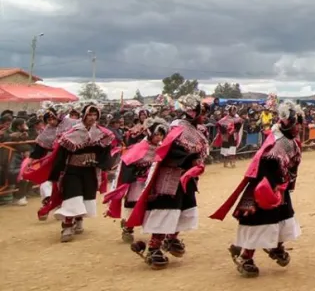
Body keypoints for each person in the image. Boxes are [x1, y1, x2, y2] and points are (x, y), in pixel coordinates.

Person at [212, 101, 303, 278]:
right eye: (297, 122)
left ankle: (276, 246)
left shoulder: (289, 140)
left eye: (300, 122)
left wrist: (283, 184)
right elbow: (267, 163)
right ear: (288, 123)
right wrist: (274, 185)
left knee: (283, 218)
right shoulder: (277, 142)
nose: (299, 126)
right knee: (261, 222)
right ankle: (246, 257)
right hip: (265, 188)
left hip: (279, 188)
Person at [126, 94, 210, 270]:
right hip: (170, 176)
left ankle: (171, 238)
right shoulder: (177, 128)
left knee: (186, 209)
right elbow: (168, 150)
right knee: (167, 210)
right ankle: (154, 247)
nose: (203, 115)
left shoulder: (199, 131)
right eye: (200, 112)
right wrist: (189, 161)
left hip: (187, 177)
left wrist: (193, 165)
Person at [48, 104, 115, 242]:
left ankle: (79, 220)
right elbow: (61, 155)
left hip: (90, 170)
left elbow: (105, 152)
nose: (92, 118)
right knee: (72, 197)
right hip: (73, 170)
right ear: (84, 116)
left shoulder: (102, 133)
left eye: (95, 115)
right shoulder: (72, 133)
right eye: (89, 115)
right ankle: (67, 226)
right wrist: (56, 173)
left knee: (86, 196)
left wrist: (104, 165)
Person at [105, 119, 168, 243]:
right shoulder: (140, 147)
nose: (158, 137)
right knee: (134, 205)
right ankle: (128, 228)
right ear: (150, 134)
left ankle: (155, 232)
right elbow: (127, 162)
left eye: (161, 134)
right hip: (138, 182)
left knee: (151, 206)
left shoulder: (161, 148)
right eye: (156, 134)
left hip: (152, 183)